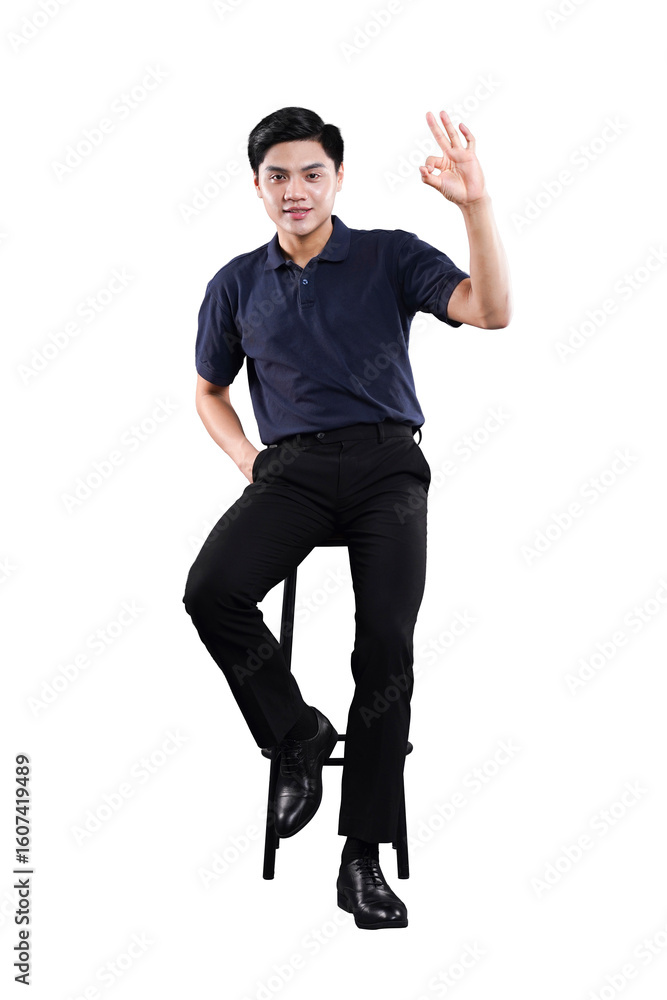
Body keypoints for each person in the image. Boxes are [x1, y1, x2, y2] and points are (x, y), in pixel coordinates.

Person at [182, 106, 512, 930]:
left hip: (384, 467)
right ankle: (295, 732)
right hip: (290, 469)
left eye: (311, 173)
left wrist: (474, 205)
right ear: (256, 186)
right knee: (211, 591)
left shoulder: (389, 255)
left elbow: (490, 310)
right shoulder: (236, 282)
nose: (294, 190)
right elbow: (209, 391)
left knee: (385, 650)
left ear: (337, 179)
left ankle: (360, 856)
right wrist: (247, 458)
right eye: (277, 176)